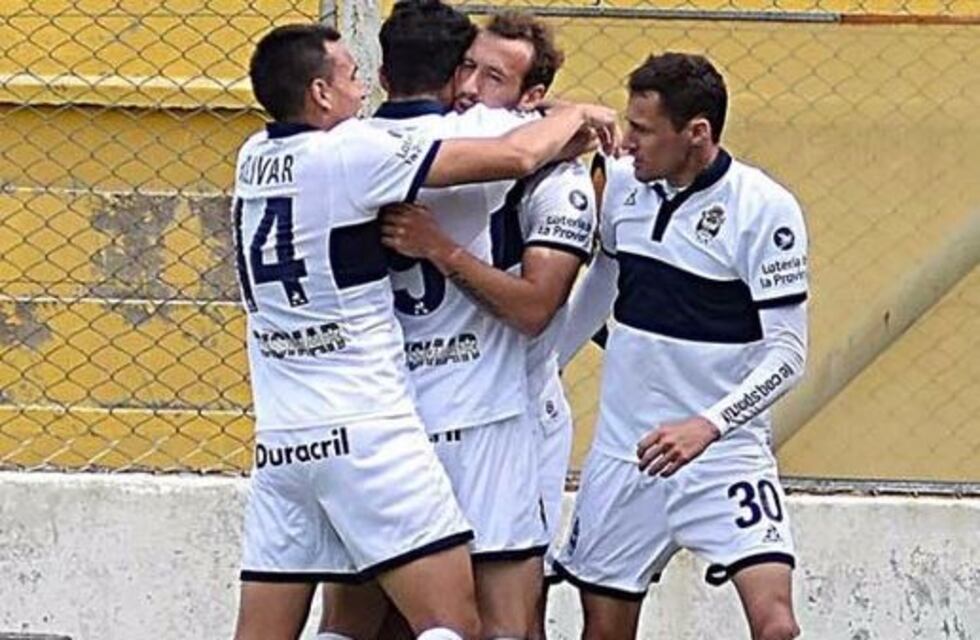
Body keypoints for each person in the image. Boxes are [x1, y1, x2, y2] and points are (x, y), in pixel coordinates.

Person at [231, 22, 617, 640]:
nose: (362, 92)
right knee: (459, 623)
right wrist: (577, 113)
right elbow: (522, 153)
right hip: (381, 430)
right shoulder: (364, 151)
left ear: (389, 74)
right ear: (321, 94)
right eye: (348, 78)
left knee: (330, 625)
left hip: (282, 438)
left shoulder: (254, 155)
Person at [554, 53, 808, 640]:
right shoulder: (621, 185)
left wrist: (708, 426)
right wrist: (544, 365)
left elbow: (789, 354)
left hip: (724, 453)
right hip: (627, 453)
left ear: (696, 133)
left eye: (642, 130)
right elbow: (604, 285)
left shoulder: (763, 208)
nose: (628, 142)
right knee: (604, 629)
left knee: (777, 626)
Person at [381, 12, 596, 638]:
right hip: (405, 413)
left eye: (493, 76)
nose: (470, 87)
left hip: (509, 417)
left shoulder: (556, 176)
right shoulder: (412, 149)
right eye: (465, 68)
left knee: (513, 617)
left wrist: (442, 250)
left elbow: (535, 309)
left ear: (532, 100)